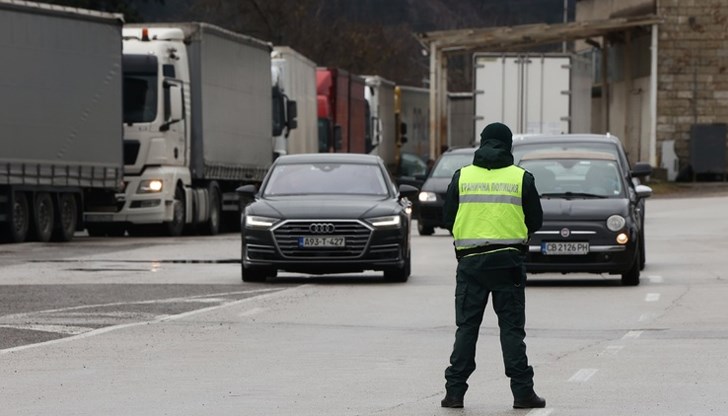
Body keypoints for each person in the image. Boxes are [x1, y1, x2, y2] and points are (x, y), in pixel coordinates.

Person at [440, 122, 545, 409]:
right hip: (508, 264)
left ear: (483, 143)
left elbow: (448, 218)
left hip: (470, 263)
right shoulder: (521, 177)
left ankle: (454, 393)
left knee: (466, 328)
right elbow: (536, 220)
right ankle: (523, 394)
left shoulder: (462, 177)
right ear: (508, 146)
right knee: (511, 330)